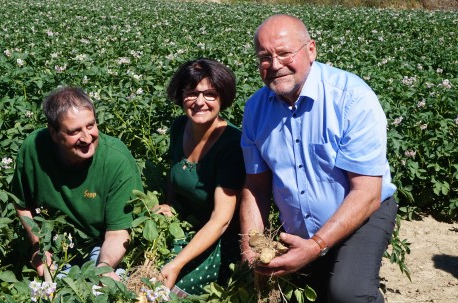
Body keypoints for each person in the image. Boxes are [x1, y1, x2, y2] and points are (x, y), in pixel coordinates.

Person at [239, 14, 398, 303]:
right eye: (264, 56)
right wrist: (252, 244)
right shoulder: (255, 110)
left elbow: (367, 192)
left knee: (347, 293)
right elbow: (256, 185)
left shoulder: (352, 97)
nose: (275, 65)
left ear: (311, 50)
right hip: (300, 226)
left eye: (285, 53)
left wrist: (316, 245)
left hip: (364, 211)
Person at [12, 86, 142, 281]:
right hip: (54, 243)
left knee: (104, 286)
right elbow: (23, 205)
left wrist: (104, 268)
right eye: (74, 131)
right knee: (54, 288)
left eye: (90, 125)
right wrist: (39, 248)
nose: (87, 138)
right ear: (54, 133)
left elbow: (117, 232)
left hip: (102, 243)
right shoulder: (33, 149)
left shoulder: (116, 160)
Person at [154, 58, 246, 296]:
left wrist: (177, 264)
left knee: (169, 288)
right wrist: (169, 204)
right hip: (185, 224)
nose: (200, 102)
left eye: (210, 94)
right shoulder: (179, 127)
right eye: (192, 93)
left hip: (218, 241)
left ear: (222, 98)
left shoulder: (231, 146)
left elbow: (221, 221)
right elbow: (174, 176)